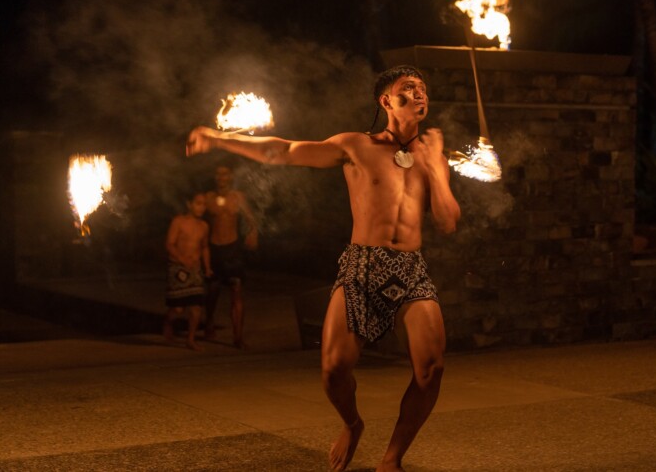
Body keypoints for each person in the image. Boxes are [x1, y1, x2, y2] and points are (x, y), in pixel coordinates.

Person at [187, 65, 461, 472]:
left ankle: (392, 458)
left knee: (431, 368)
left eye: (423, 87)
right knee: (334, 370)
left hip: (410, 269)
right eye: (408, 88)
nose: (420, 93)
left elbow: (447, 220)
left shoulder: (431, 158)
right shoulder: (356, 146)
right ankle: (352, 424)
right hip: (362, 264)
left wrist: (437, 170)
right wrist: (220, 138)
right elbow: (282, 150)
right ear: (386, 101)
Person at [203, 164, 258, 349]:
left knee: (236, 291)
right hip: (214, 248)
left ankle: (238, 337)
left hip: (233, 249)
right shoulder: (208, 198)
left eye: (225, 174)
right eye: (218, 174)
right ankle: (209, 321)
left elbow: (252, 220)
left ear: (231, 176)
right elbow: (196, 219)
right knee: (212, 292)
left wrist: (253, 233)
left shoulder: (238, 197)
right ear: (214, 177)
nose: (221, 177)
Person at [164, 192, 213, 351]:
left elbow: (205, 247)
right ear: (189, 204)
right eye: (198, 203)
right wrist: (181, 259)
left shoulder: (204, 226)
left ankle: (190, 339)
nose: (201, 207)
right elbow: (170, 244)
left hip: (195, 269)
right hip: (178, 268)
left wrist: (207, 267)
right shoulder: (178, 222)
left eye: (204, 204)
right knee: (178, 309)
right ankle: (169, 322)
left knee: (196, 308)